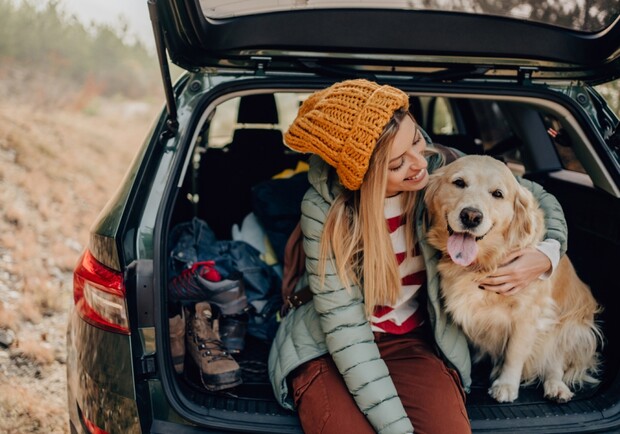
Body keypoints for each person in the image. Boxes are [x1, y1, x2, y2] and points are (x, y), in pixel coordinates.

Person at [268, 79, 566, 434]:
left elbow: (538, 197)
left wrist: (547, 256)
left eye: (415, 140)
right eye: (397, 164)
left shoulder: (444, 170)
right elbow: (346, 331)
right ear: (363, 174)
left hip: (413, 339)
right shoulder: (324, 210)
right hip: (332, 344)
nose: (418, 164)